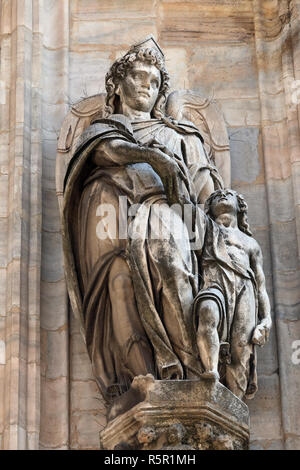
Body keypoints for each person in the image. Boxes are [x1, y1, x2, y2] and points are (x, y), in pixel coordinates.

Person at [62, 37, 224, 405]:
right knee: (120, 288)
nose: (146, 87)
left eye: (154, 82)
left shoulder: (181, 136)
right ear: (117, 85)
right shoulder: (102, 132)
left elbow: (205, 194)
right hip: (111, 231)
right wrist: (154, 159)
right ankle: (144, 381)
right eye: (137, 76)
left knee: (171, 263)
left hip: (170, 221)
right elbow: (105, 152)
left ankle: (191, 367)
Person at [193, 188, 272, 399]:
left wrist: (266, 320)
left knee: (241, 350)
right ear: (209, 207)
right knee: (207, 313)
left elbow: (261, 286)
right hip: (213, 282)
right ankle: (211, 373)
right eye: (217, 195)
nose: (222, 195)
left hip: (245, 289)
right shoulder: (205, 228)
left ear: (240, 206)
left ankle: (235, 405)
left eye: (228, 194)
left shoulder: (251, 244)